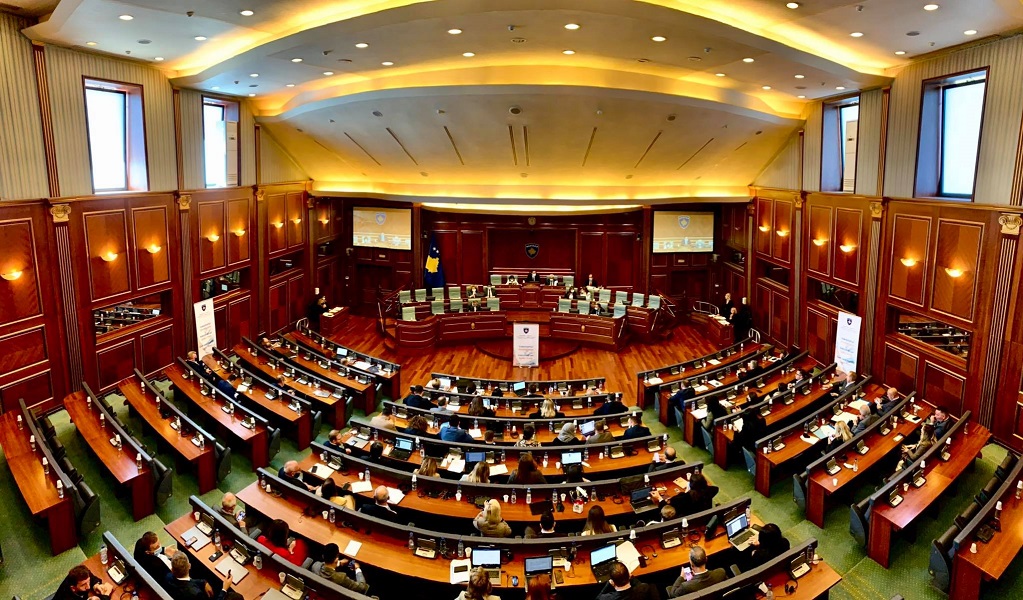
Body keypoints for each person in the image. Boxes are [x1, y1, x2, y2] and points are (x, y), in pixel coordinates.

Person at [163, 554, 232, 600]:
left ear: (172, 570)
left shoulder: (168, 577)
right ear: (189, 566)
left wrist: (203, 582)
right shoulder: (196, 594)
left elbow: (187, 581)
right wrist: (224, 589)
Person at [595, 561, 660, 600]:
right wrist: (632, 577)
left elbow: (598, 598)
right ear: (629, 575)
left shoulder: (606, 598)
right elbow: (640, 585)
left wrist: (608, 584)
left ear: (612, 582)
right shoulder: (644, 588)